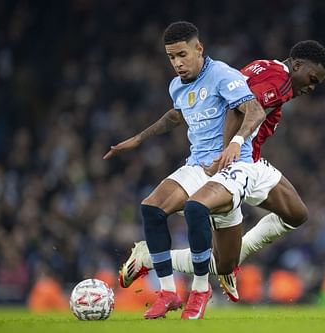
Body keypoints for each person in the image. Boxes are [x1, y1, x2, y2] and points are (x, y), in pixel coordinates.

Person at [112, 41, 325, 302]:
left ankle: (233, 259)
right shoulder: (280, 82)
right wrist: (228, 150)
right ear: (296, 65)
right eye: (311, 78)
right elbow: (238, 108)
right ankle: (148, 257)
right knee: (220, 263)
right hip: (232, 164)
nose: (311, 87)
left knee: (296, 214)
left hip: (250, 161)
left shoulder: (265, 66)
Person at [104, 21, 266, 320]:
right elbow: (176, 116)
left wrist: (236, 142)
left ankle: (201, 289)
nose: (177, 63)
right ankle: (167, 292)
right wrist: (139, 139)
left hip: (232, 167)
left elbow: (255, 110)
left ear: (198, 49)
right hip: (197, 166)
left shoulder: (222, 75)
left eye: (182, 55)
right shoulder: (177, 86)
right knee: (151, 208)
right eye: (171, 57)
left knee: (196, 209)